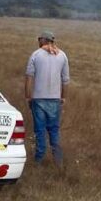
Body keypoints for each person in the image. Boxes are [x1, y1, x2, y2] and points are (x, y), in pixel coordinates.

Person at [24, 30, 70, 166]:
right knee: (54, 131)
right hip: (55, 100)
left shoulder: (35, 55)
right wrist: (63, 97)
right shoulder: (62, 55)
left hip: (38, 99)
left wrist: (28, 97)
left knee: (40, 131)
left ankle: (38, 161)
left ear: (44, 40)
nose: (38, 41)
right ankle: (58, 162)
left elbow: (29, 78)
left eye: (39, 39)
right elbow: (66, 80)